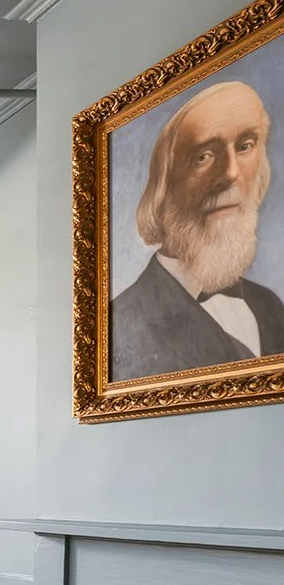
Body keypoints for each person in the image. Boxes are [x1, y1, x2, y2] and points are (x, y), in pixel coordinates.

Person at [111, 80, 284, 381]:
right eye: (204, 156)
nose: (230, 172)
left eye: (245, 146)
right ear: (164, 187)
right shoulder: (120, 321)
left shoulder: (269, 305)